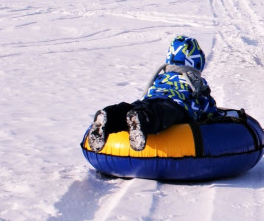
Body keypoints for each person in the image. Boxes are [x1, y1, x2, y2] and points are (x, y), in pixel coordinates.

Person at [87, 35, 220, 152]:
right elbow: (207, 105)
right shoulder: (196, 81)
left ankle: (111, 115)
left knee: (133, 107)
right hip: (177, 103)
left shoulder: (162, 76)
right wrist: (212, 113)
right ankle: (143, 118)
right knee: (161, 113)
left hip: (151, 99)